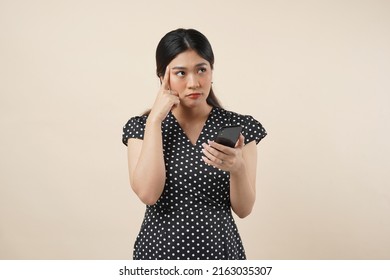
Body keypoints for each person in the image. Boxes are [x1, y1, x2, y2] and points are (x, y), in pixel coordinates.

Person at [122, 28, 267, 260]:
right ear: (162, 77)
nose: (194, 83)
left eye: (201, 70)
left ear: (211, 71)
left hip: (220, 255)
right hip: (158, 254)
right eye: (181, 73)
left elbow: (244, 209)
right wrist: (155, 121)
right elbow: (149, 194)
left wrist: (238, 168)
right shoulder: (142, 127)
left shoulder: (238, 126)